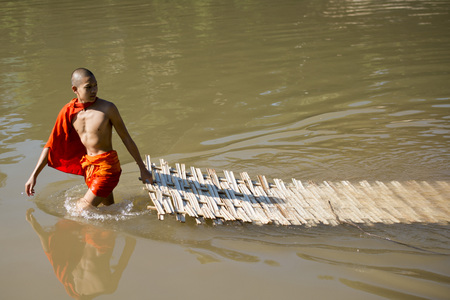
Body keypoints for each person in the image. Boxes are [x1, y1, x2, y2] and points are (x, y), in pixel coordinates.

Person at [25, 68, 153, 210]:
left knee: (80, 210)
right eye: (88, 87)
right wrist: (33, 176)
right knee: (108, 210)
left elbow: (126, 138)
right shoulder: (68, 112)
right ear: (75, 89)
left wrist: (142, 168)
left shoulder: (107, 108)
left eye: (95, 85)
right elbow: (50, 146)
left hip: (107, 167)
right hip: (89, 168)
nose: (94, 90)